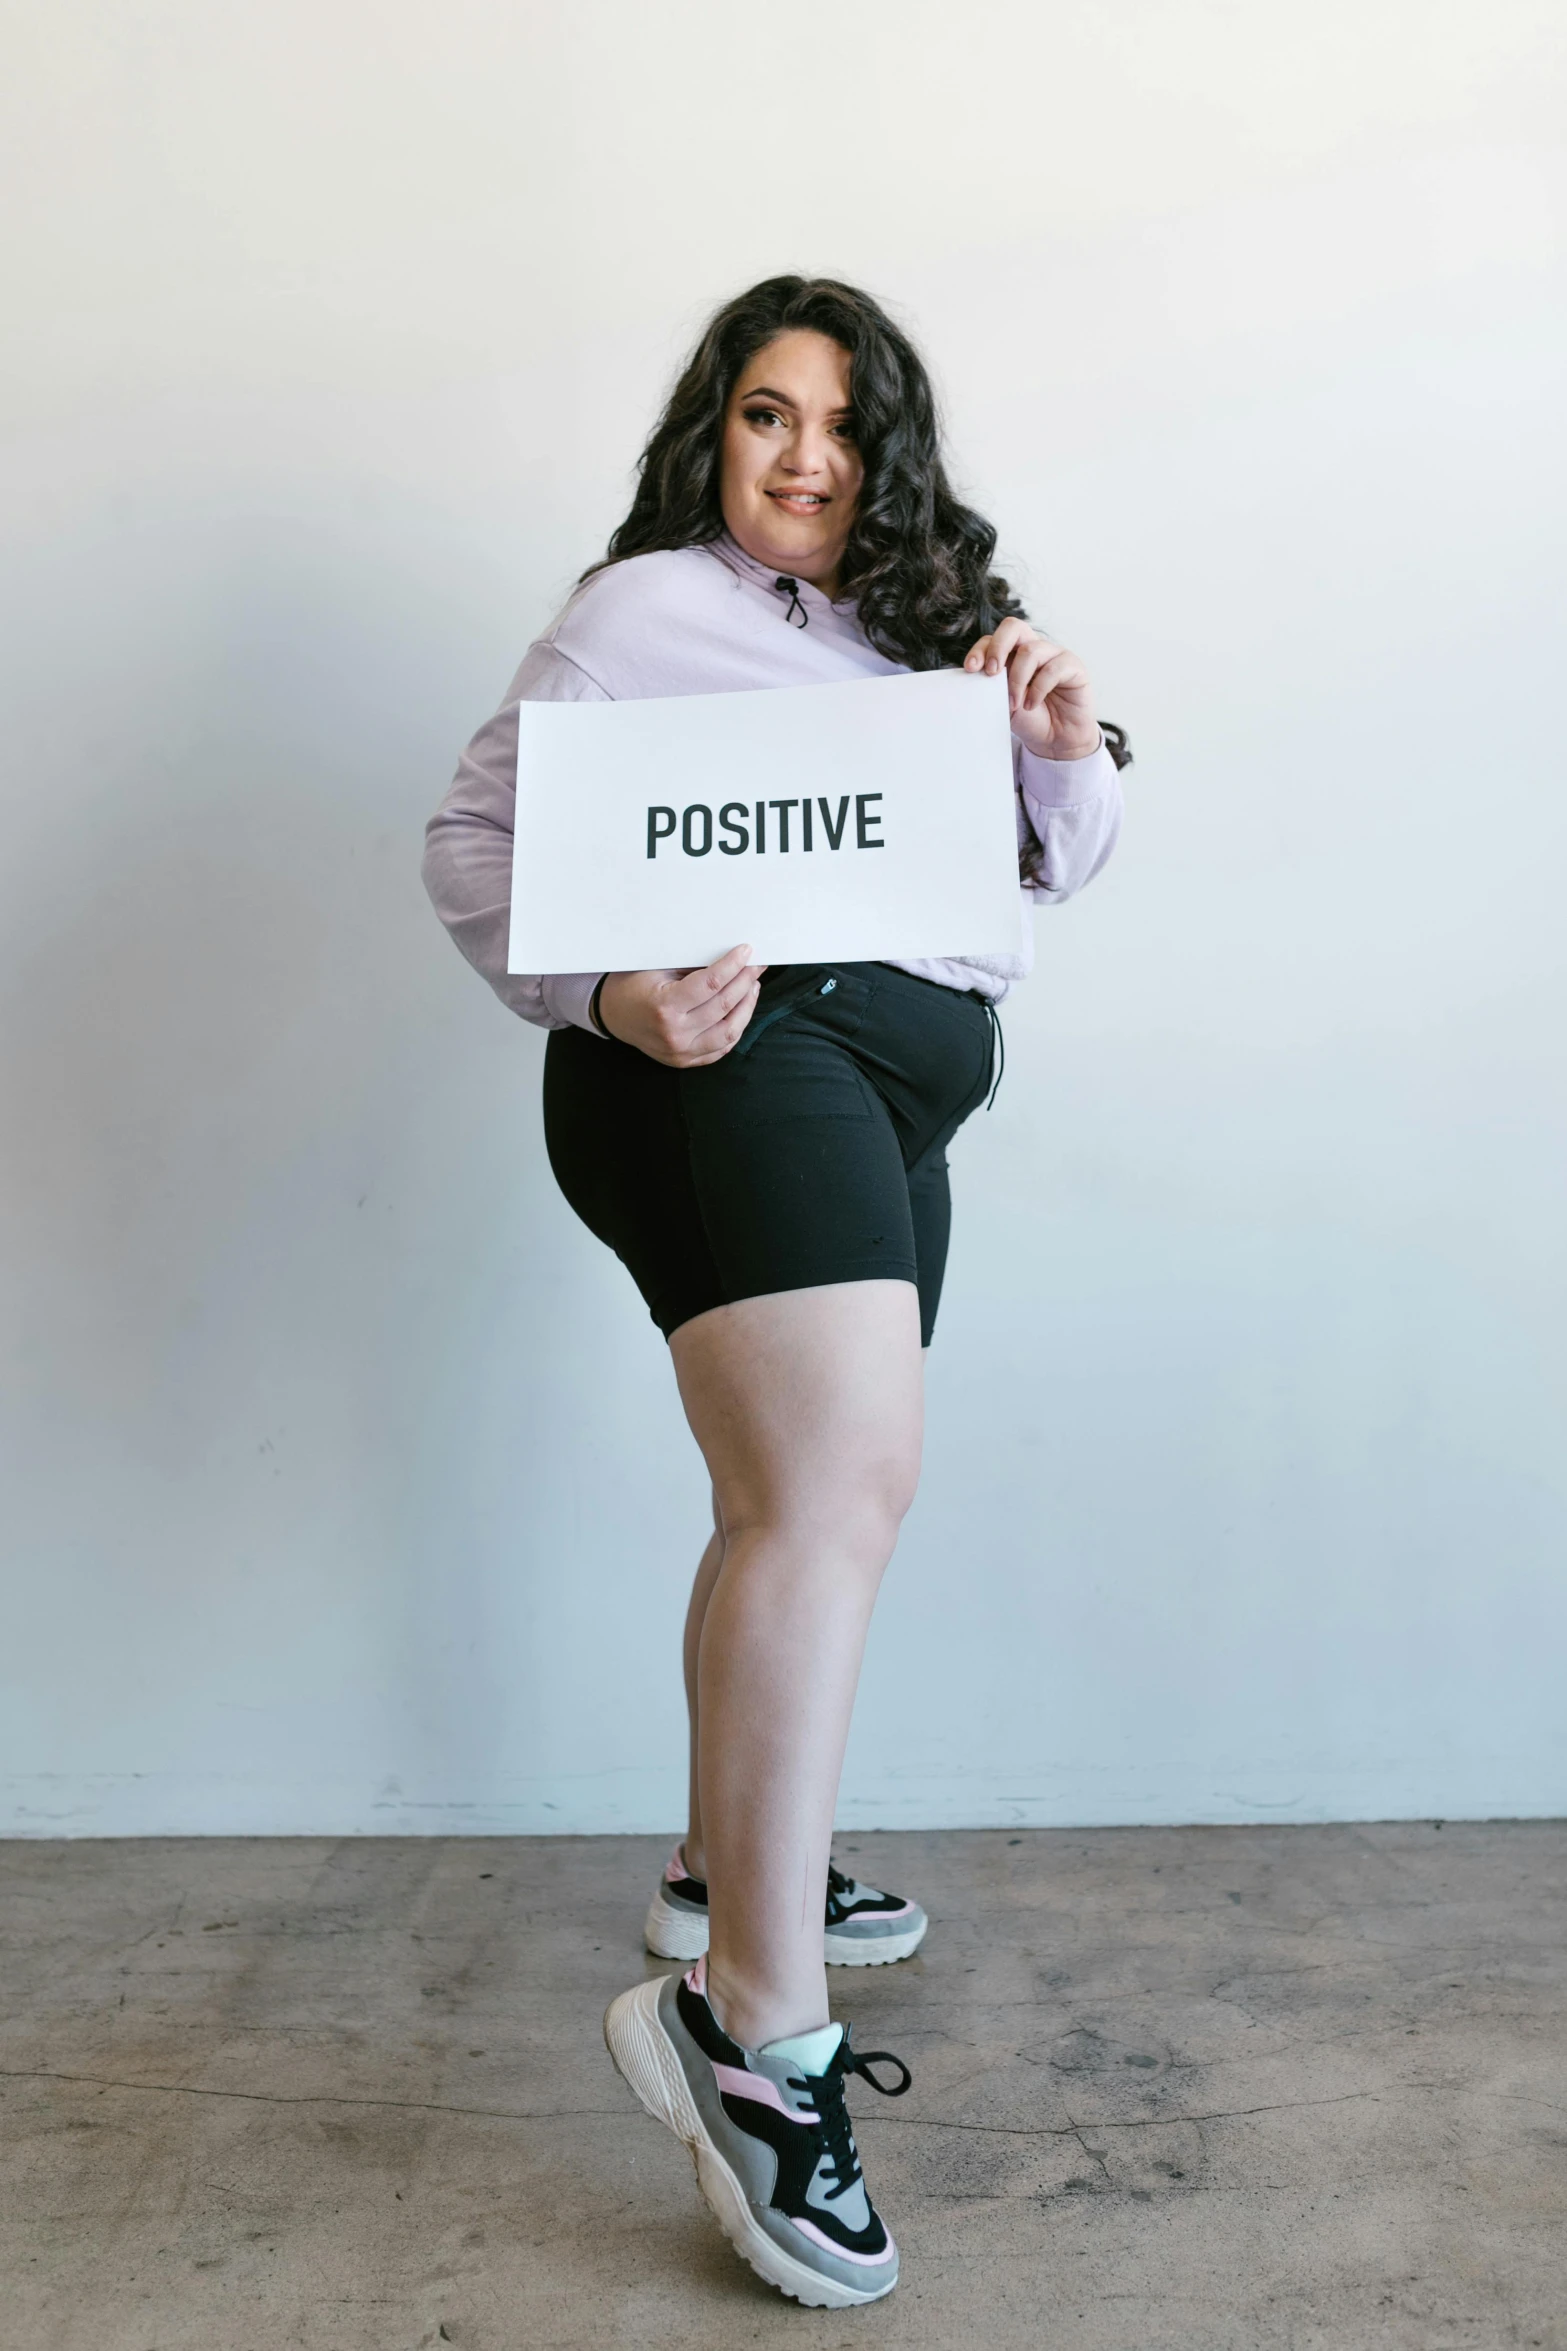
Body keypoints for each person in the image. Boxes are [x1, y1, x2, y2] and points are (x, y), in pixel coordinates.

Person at [421, 275, 1126, 2309]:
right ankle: (754, 2027)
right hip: (739, 1065)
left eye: (838, 419)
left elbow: (1045, 868)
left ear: (884, 446)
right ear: (710, 436)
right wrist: (615, 992)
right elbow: (476, 841)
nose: (802, 453)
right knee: (831, 1489)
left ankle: (727, 1851)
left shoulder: (920, 627)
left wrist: (1059, 750)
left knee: (814, 1500)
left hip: (885, 1084)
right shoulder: (640, 617)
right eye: (762, 414)